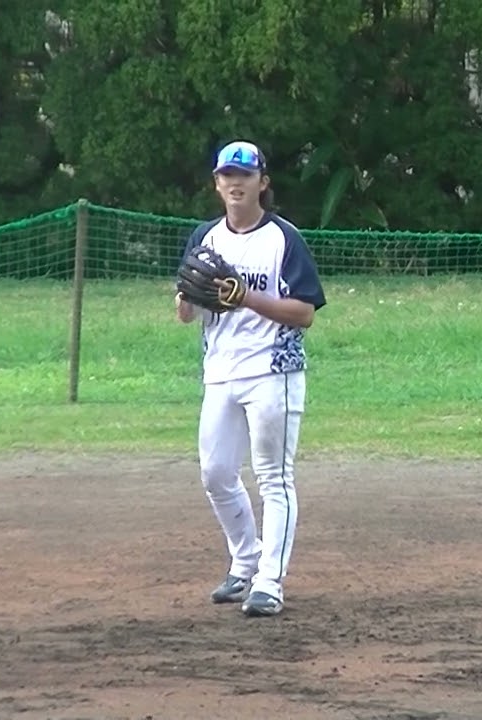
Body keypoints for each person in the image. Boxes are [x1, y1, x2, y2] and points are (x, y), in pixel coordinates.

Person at [174, 140, 327, 617]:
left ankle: (269, 582)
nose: (235, 182)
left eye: (245, 175)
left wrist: (246, 298)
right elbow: (186, 311)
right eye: (227, 175)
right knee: (216, 473)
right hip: (221, 372)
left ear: (263, 182)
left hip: (273, 371)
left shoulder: (283, 238)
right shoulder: (205, 237)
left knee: (273, 478)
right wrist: (186, 299)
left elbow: (304, 312)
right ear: (216, 184)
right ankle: (245, 561)